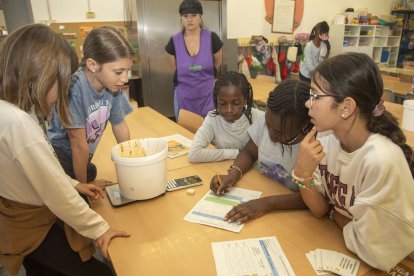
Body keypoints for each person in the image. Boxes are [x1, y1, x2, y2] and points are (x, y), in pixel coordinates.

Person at [0, 24, 129, 276]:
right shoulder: (16, 122)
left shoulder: (13, 113)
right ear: (39, 76)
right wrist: (100, 228)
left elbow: (42, 172)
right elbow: (53, 190)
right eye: (59, 82)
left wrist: (75, 184)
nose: (61, 93)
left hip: (27, 219)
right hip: (30, 227)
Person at [293, 52, 414, 271]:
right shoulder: (327, 139)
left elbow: (372, 251)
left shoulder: (380, 159)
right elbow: (320, 209)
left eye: (315, 95)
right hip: (352, 248)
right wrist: (302, 174)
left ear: (346, 108)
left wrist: (334, 213)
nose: (307, 102)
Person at [210, 79, 312, 223]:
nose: (271, 134)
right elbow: (249, 152)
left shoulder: (315, 147)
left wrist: (267, 203)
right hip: (260, 192)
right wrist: (233, 174)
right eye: (268, 125)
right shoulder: (269, 121)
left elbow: (312, 197)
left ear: (304, 126)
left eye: (280, 132)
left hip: (290, 217)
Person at [48, 26, 134, 185]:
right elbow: (78, 144)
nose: (125, 79)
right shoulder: (74, 88)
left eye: (127, 71)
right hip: (61, 158)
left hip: (83, 157)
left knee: (92, 172)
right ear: (93, 65)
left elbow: (120, 125)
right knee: (80, 198)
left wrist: (129, 161)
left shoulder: (112, 86)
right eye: (118, 72)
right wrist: (84, 186)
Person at [165, 0, 223, 120]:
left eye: (193, 15)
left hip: (207, 95)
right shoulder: (174, 42)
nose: (189, 19)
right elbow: (174, 68)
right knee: (184, 131)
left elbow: (217, 63)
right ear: (181, 18)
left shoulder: (212, 38)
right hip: (183, 95)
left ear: (200, 16)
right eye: (185, 16)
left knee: (209, 131)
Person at [188, 71, 262, 163]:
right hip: (225, 169)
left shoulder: (259, 118)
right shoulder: (213, 118)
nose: (229, 110)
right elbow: (194, 154)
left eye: (236, 103)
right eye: (222, 103)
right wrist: (237, 153)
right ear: (216, 101)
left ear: (245, 100)